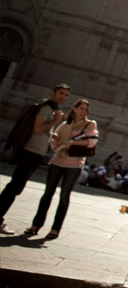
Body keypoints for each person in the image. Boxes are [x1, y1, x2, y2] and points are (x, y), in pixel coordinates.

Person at [23, 98, 98, 238]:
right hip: (58, 160)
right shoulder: (65, 123)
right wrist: (56, 139)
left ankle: (55, 229)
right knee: (47, 194)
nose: (83, 112)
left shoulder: (90, 124)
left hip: (74, 163)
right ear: (75, 109)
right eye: (81, 108)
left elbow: (91, 142)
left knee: (64, 197)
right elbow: (54, 139)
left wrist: (72, 144)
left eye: (86, 110)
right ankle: (36, 225)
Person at [0, 83, 70, 234]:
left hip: (35, 153)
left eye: (66, 95)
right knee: (15, 187)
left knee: (15, 186)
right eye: (61, 93)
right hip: (30, 152)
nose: (63, 97)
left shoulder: (53, 109)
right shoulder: (47, 108)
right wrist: (54, 122)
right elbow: (37, 129)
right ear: (53, 93)